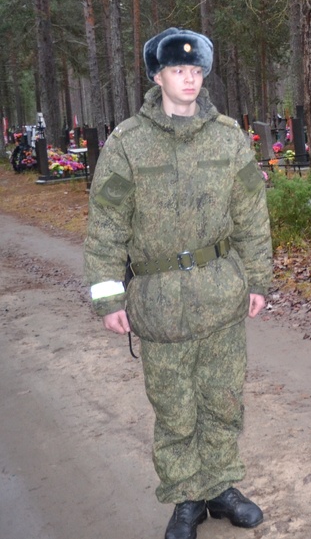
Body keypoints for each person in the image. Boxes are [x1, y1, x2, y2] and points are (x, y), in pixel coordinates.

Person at [83, 28, 273, 539]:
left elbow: (252, 217)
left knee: (223, 399)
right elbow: (106, 226)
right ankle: (186, 497)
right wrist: (108, 298)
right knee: (174, 408)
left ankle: (220, 487)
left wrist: (258, 281)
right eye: (177, 70)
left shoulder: (229, 138)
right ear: (157, 76)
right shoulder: (128, 144)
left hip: (221, 294)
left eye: (196, 70)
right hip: (159, 301)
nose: (188, 78)